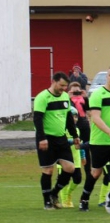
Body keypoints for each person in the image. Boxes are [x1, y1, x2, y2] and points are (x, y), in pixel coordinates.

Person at [78, 65, 110, 212]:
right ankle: (84, 199)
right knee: (95, 173)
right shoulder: (98, 94)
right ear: (106, 77)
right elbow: (95, 118)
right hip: (99, 141)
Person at [33, 72, 79, 209]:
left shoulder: (65, 97)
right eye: (61, 85)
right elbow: (37, 119)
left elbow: (69, 118)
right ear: (53, 81)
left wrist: (75, 135)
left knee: (70, 168)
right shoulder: (42, 97)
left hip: (61, 138)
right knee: (48, 170)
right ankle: (47, 201)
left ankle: (54, 193)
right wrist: (42, 138)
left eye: (65, 86)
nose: (63, 88)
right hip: (46, 138)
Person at [58, 107, 86, 208]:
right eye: (72, 116)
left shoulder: (77, 130)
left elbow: (80, 143)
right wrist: (71, 142)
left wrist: (83, 156)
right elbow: (61, 143)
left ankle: (68, 193)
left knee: (77, 179)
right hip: (63, 158)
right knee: (64, 179)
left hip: (76, 158)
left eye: (75, 116)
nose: (74, 118)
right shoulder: (61, 129)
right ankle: (64, 199)